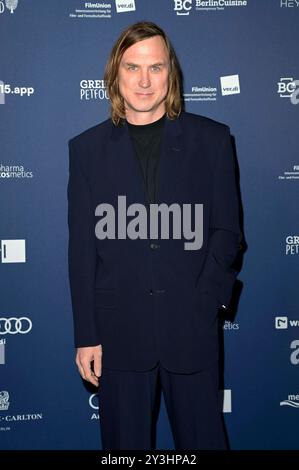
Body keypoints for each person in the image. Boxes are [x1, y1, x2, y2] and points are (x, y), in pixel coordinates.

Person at [67, 21, 242, 450]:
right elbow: (82, 249)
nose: (144, 81)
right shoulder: (86, 150)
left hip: (193, 330)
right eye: (132, 67)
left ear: (171, 75)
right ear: (115, 74)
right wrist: (87, 334)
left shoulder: (212, 140)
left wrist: (205, 304)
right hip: (118, 332)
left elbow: (228, 232)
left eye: (156, 67)